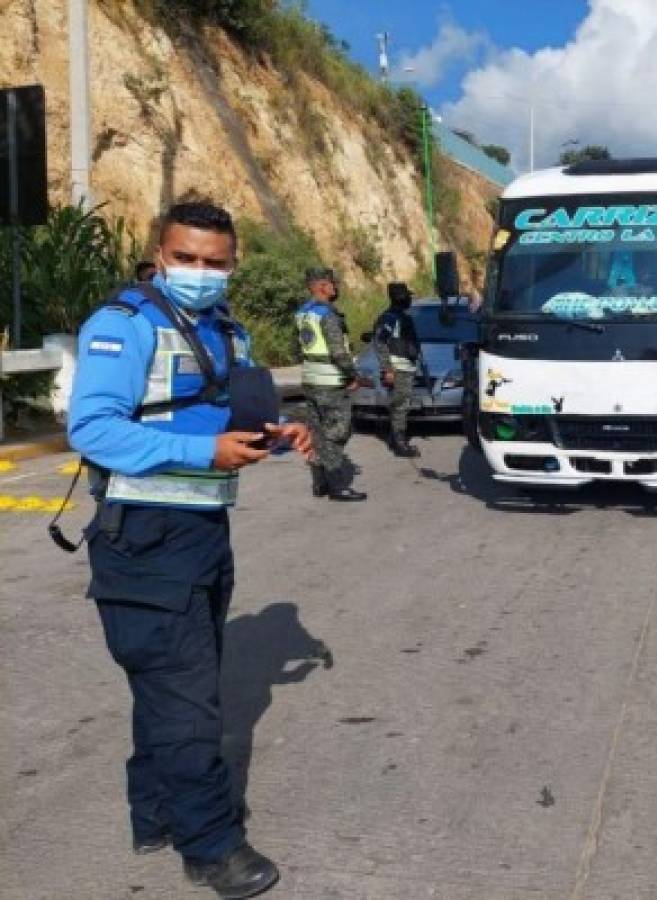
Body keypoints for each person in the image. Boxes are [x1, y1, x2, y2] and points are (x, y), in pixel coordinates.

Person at [68, 202, 314, 898]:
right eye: (187, 259)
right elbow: (94, 431)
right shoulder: (124, 325)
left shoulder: (224, 333)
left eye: (215, 262)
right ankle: (209, 846)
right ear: (158, 253)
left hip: (204, 532)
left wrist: (277, 432)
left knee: (171, 688)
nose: (200, 274)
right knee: (186, 704)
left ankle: (156, 814)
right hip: (144, 538)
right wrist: (204, 451)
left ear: (233, 264)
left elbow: (223, 417)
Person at [295, 267, 367, 501]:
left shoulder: (302, 313)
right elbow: (338, 351)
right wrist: (352, 375)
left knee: (318, 432)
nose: (335, 287)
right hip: (330, 381)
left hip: (311, 379)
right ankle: (337, 484)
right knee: (337, 431)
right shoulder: (327, 315)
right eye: (331, 284)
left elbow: (299, 347)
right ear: (321, 286)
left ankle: (320, 483)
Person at [372, 281, 422, 458]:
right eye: (407, 295)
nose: (410, 299)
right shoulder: (390, 318)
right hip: (397, 369)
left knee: (402, 405)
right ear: (400, 297)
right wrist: (388, 369)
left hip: (406, 368)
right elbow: (379, 342)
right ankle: (400, 444)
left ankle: (397, 438)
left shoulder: (401, 317)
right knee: (400, 406)